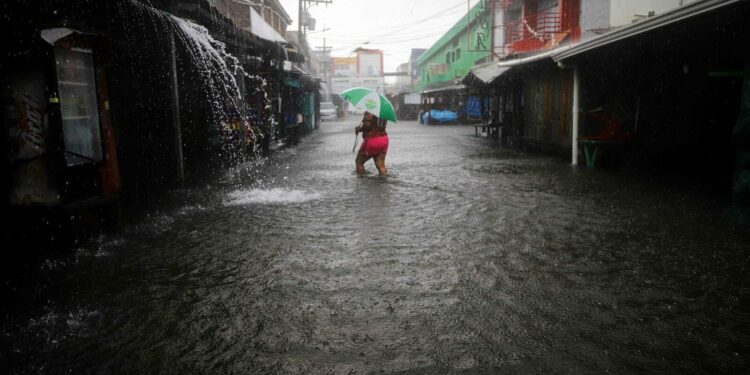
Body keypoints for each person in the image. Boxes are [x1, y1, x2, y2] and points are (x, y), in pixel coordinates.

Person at [355, 111, 388, 176]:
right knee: (380, 165)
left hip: (372, 141)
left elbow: (367, 126)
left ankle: (360, 182)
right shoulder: (383, 113)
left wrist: (359, 129)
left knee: (359, 162)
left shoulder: (370, 111)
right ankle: (384, 182)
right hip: (384, 140)